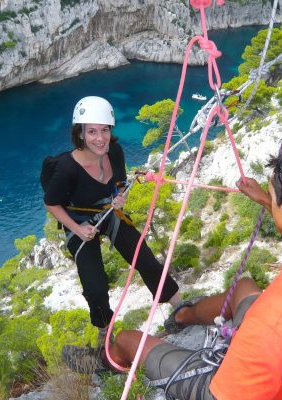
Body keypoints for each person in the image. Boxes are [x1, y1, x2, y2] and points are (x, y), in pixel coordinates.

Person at [63, 142, 282, 399]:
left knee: (127, 339)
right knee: (245, 286)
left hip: (224, 386)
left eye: (273, 195)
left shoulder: (276, 319)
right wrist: (263, 198)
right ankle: (183, 316)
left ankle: (103, 361)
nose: (269, 198)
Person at [43, 96, 181, 344]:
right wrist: (76, 228)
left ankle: (180, 307)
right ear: (81, 134)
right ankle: (105, 336)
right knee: (94, 285)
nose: (100, 138)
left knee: (144, 258)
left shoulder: (114, 151)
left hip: (108, 211)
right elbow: (51, 203)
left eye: (104, 130)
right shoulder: (66, 167)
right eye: (92, 131)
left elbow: (119, 182)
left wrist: (119, 196)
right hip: (79, 222)